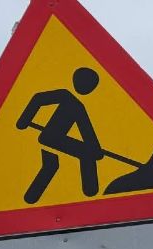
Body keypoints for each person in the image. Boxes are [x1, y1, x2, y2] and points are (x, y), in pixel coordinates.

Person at [16, 67, 104, 204]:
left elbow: (86, 131)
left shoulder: (78, 106)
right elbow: (38, 99)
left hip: (56, 139)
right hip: (50, 137)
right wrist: (24, 120)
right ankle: (90, 191)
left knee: (53, 165)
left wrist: (96, 150)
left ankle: (90, 193)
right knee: (76, 157)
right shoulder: (66, 96)